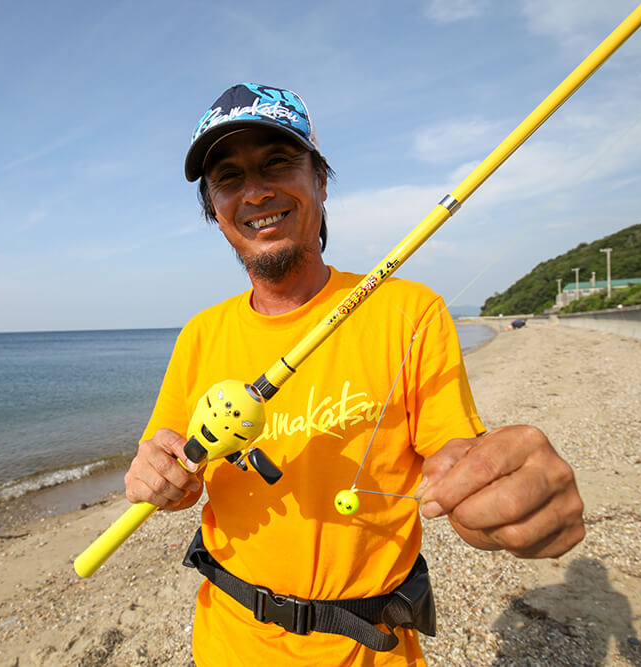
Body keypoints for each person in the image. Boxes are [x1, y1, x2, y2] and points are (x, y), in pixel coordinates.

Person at [124, 83, 584, 666]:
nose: (256, 191)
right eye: (229, 177)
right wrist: (157, 480)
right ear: (214, 207)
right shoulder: (199, 334)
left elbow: (458, 453)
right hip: (226, 643)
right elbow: (173, 468)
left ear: (319, 179)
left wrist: (499, 493)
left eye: (277, 162)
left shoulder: (411, 311)